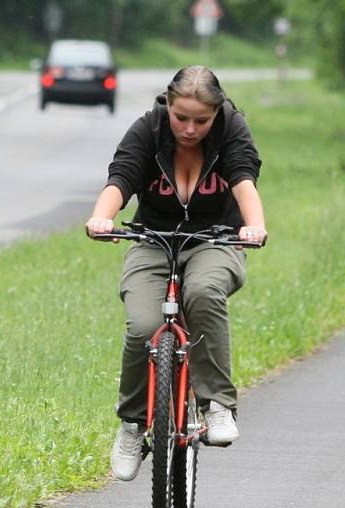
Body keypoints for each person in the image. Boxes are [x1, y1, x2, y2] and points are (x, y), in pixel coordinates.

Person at [86, 66, 267, 481]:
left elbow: (243, 179)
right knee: (143, 326)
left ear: (216, 114)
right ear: (168, 105)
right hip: (154, 238)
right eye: (180, 117)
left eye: (201, 121)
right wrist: (101, 217)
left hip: (216, 240)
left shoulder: (231, 131)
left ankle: (216, 404)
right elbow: (122, 177)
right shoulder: (149, 129)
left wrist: (253, 225)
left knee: (203, 292)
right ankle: (132, 424)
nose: (189, 129)